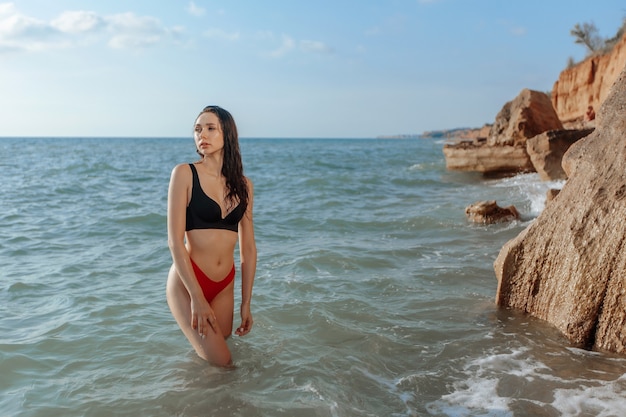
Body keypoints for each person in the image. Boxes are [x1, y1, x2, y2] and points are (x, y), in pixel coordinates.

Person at [166, 105, 257, 366]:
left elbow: (248, 250)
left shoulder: (244, 185)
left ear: (227, 134)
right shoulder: (184, 173)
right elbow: (174, 241)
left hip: (224, 285)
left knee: (216, 357)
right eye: (197, 129)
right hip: (188, 282)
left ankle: (200, 400)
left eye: (210, 128)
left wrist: (246, 303)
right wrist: (196, 296)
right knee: (224, 364)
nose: (201, 135)